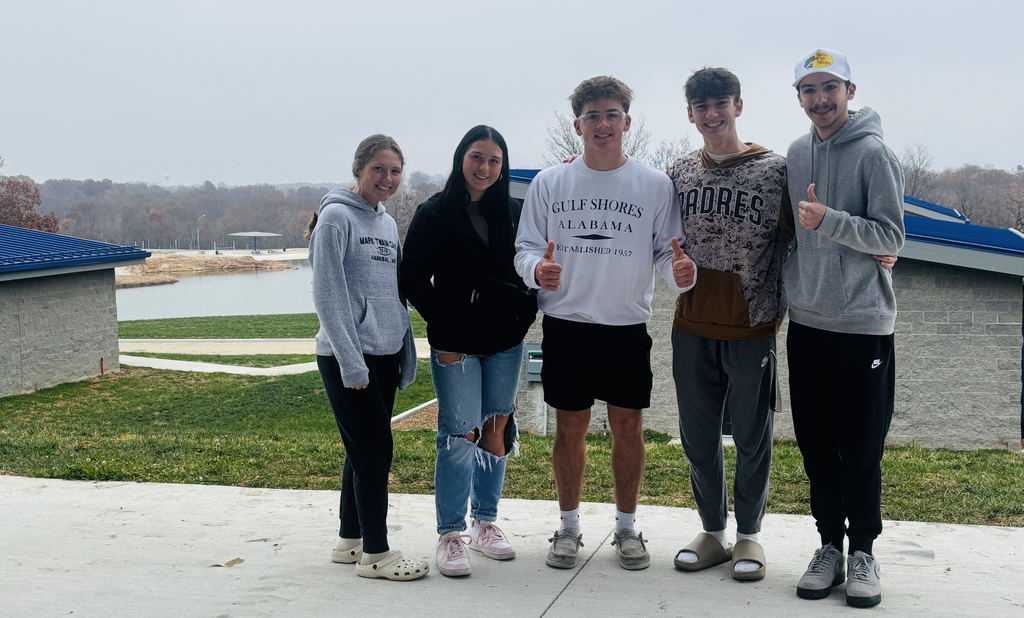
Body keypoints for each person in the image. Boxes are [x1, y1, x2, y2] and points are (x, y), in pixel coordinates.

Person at [514, 76, 696, 571]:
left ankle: (626, 528)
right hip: (567, 324)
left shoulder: (654, 185)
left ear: (627, 123)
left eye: (611, 114)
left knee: (628, 428)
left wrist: (681, 273)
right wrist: (536, 270)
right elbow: (526, 248)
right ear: (577, 125)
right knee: (569, 429)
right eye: (592, 116)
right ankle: (569, 528)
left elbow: (668, 253)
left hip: (625, 328)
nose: (602, 124)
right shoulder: (550, 183)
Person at [784, 49, 904, 608]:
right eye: (809, 90)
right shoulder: (795, 154)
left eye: (829, 87)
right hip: (807, 323)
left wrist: (830, 220)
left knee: (860, 446)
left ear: (850, 91)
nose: (820, 100)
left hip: (861, 325)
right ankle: (828, 544)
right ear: (800, 98)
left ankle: (863, 553)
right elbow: (787, 231)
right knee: (817, 444)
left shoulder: (874, 153)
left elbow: (891, 238)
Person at [667, 67, 792, 582]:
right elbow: (635, 204)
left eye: (721, 104)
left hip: (752, 324)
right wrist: (578, 162)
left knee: (751, 436)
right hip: (692, 323)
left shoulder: (775, 170)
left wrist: (879, 246)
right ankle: (714, 530)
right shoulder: (677, 172)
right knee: (697, 436)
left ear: (738, 106)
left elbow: (806, 233)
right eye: (702, 107)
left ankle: (750, 535)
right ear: (690, 113)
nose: (712, 115)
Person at [400, 125, 537, 577]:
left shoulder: (516, 213)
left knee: (497, 428)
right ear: (462, 159)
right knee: (460, 434)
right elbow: (413, 277)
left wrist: (524, 314)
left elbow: (532, 267)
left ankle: (485, 523)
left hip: (505, 342)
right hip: (456, 343)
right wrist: (445, 316)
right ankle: (451, 533)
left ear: (504, 167)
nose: (485, 168)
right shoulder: (435, 213)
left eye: (495, 161)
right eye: (477, 157)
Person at [307, 134, 429, 581]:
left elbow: (393, 295)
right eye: (379, 169)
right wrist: (351, 361)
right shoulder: (336, 217)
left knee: (361, 452)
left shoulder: (385, 223)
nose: (388, 179)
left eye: (395, 171)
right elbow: (328, 294)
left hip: (384, 354)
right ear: (358, 169)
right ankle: (377, 555)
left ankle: (350, 541)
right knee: (376, 452)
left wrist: (404, 352)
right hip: (348, 357)